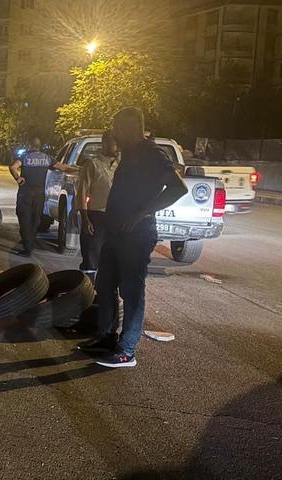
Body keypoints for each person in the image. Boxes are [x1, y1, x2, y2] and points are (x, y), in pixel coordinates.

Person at [78, 107, 188, 368]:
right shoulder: (130, 153)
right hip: (115, 232)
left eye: (117, 128)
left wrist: (141, 214)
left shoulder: (151, 154)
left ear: (131, 128)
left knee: (132, 292)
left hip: (136, 236)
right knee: (105, 286)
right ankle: (106, 337)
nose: (114, 133)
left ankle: (127, 351)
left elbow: (178, 188)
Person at [8, 136, 75, 256]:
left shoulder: (25, 157)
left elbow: (13, 167)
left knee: (24, 220)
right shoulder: (47, 158)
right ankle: (30, 245)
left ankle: (27, 247)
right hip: (39, 194)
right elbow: (63, 167)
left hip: (25, 193)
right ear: (40, 146)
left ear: (30, 146)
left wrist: (18, 178)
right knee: (35, 220)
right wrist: (79, 169)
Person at [77, 130, 119, 281]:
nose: (118, 147)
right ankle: (87, 291)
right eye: (115, 144)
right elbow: (82, 192)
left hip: (116, 218)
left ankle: (105, 294)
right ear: (105, 144)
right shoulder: (92, 165)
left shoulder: (121, 166)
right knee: (91, 256)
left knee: (110, 258)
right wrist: (85, 218)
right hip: (96, 216)